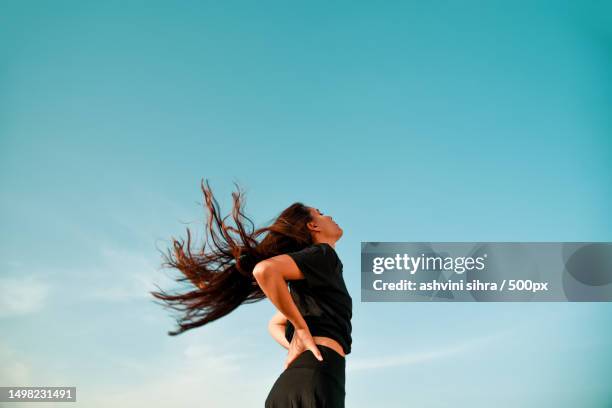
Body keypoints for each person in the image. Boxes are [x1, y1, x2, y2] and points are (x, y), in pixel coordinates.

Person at [150, 179, 352, 407]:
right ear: (313, 226)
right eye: (320, 213)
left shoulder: (312, 280)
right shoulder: (324, 254)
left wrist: (299, 340)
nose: (329, 216)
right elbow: (265, 270)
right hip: (318, 379)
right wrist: (301, 329)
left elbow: (274, 324)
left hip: (290, 384)